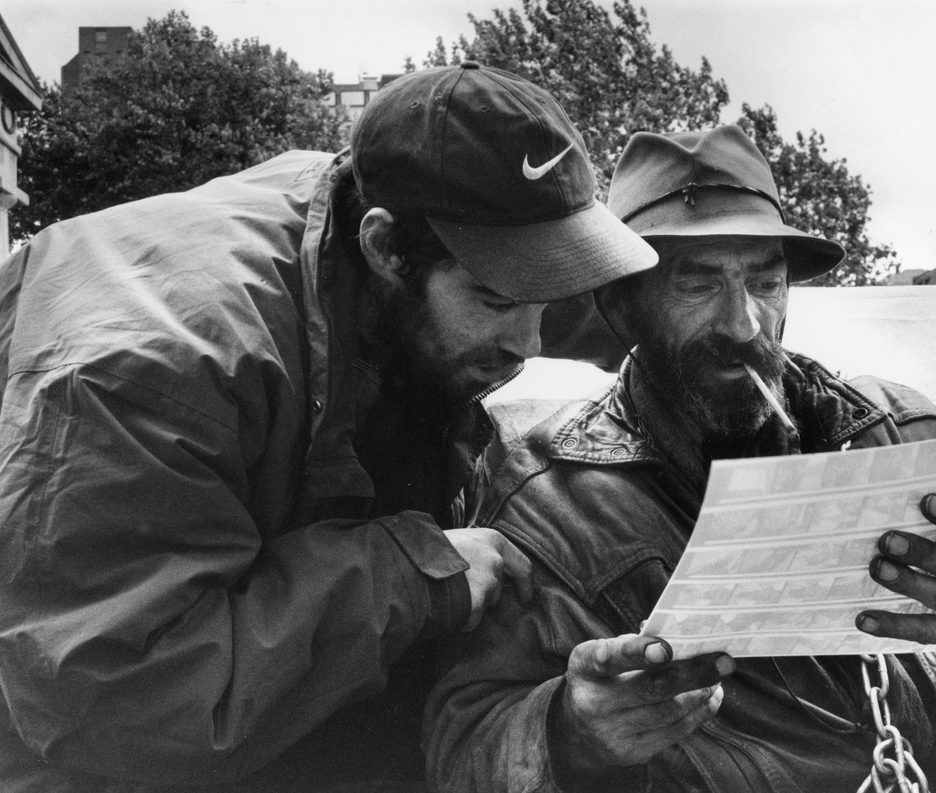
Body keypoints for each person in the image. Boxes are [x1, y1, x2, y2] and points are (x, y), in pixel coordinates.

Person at [0, 63, 657, 791]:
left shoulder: (386, 209)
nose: (530, 343)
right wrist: (414, 572)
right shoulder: (152, 377)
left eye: (547, 293)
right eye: (499, 301)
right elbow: (115, 702)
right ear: (384, 249)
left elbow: (554, 301)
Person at [424, 125, 936, 792]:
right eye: (699, 282)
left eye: (765, 281)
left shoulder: (915, 436)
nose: (744, 323)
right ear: (622, 306)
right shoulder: (547, 504)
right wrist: (570, 730)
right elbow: (461, 744)